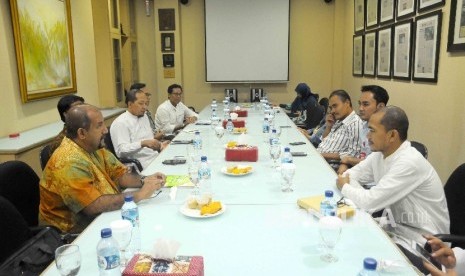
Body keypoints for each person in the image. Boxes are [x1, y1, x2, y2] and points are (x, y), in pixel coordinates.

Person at [39, 105, 166, 233]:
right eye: (99, 125)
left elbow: (119, 174)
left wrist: (145, 180)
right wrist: (140, 194)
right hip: (72, 231)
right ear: (82, 133)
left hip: (99, 217)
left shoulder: (93, 146)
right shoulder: (67, 161)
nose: (105, 130)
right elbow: (93, 206)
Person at [336, 106, 449, 246]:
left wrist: (346, 187)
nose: (367, 136)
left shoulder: (409, 162)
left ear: (392, 135)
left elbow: (369, 202)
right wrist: (357, 191)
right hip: (396, 227)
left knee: (355, 245)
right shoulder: (380, 154)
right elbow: (349, 174)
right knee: (345, 232)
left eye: (372, 130)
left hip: (425, 241)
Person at [110, 89, 169, 169]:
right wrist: (142, 143)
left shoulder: (144, 116)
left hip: (155, 158)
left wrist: (160, 145)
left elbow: (149, 141)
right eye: (141, 104)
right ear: (130, 104)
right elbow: (121, 151)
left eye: (146, 103)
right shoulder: (121, 123)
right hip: (139, 165)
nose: (145, 107)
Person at [338, 85, 389, 174]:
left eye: (365, 104)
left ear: (380, 107)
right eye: (360, 104)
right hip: (360, 174)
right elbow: (358, 155)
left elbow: (374, 165)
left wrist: (348, 160)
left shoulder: (386, 133)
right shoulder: (363, 126)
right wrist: (345, 163)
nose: (360, 108)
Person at [316, 90, 363, 169]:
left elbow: (352, 155)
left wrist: (322, 155)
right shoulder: (339, 119)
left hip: (328, 166)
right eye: (331, 108)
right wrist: (328, 126)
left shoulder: (355, 124)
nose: (332, 111)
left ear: (347, 103)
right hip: (319, 158)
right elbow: (324, 141)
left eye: (335, 106)